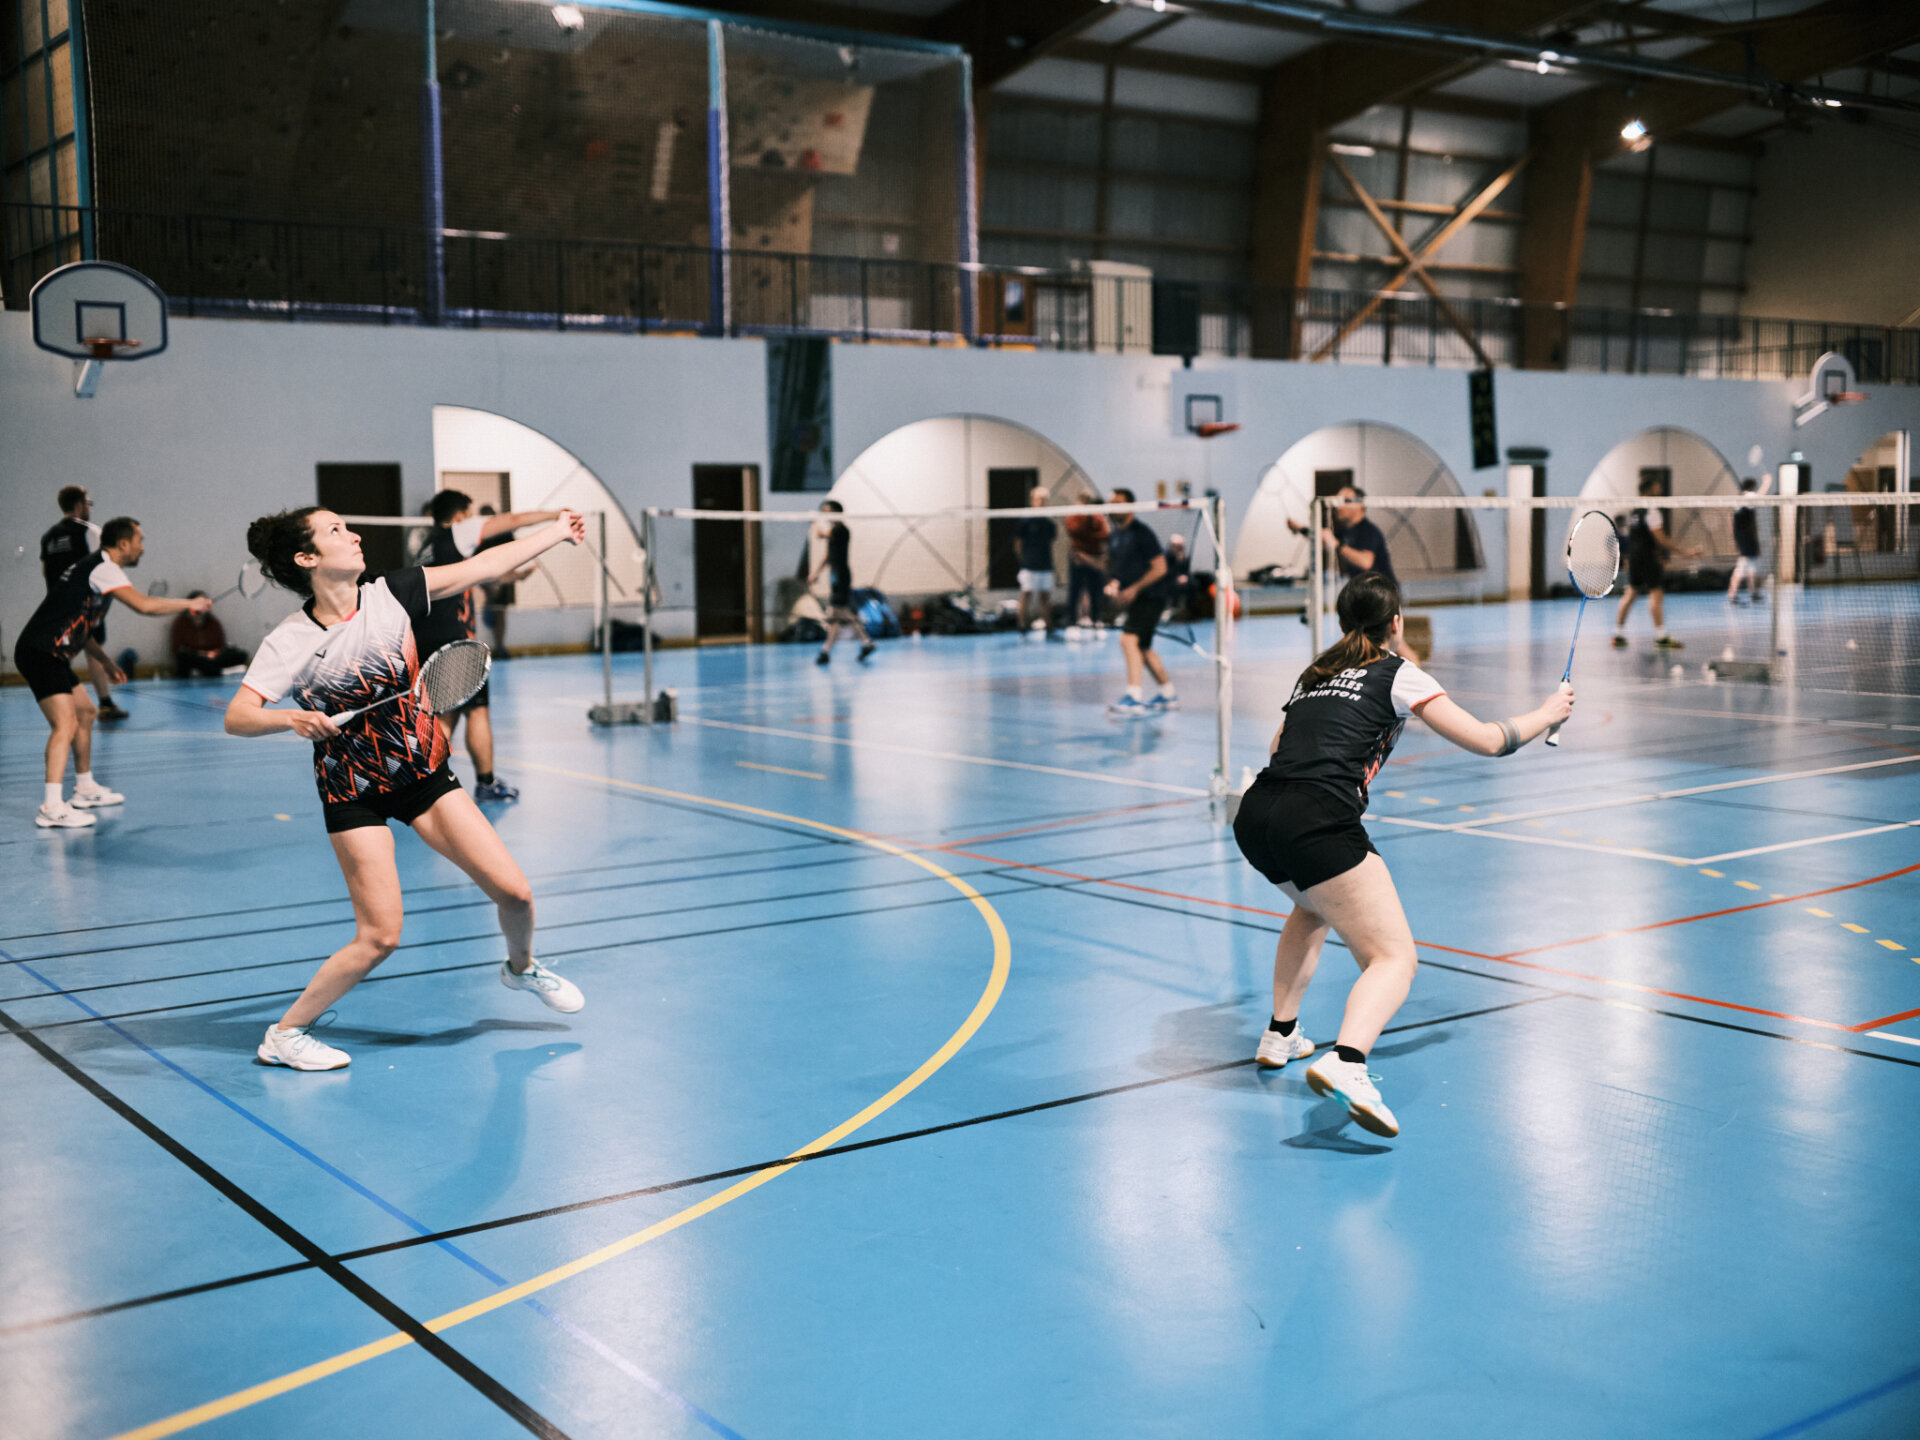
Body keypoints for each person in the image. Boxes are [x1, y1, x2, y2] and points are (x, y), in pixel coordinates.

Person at [225, 506, 590, 1072]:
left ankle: (521, 968)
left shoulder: (393, 593)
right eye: (336, 531)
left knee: (516, 894)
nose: (354, 535)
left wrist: (555, 533)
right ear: (307, 558)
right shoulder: (290, 640)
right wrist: (290, 719)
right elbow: (238, 716)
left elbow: (485, 565)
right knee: (380, 936)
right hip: (353, 792)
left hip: (422, 775)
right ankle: (286, 1033)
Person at [1234, 572, 1573, 1137]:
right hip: (1318, 820)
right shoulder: (1398, 672)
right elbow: (1489, 740)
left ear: (1342, 621)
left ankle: (1280, 1034)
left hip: (1256, 815)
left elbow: (1277, 747)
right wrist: (1548, 712)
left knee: (1312, 908)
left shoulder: (1316, 672)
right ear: (1396, 623)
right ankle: (1347, 1063)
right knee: (1394, 959)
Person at [15, 517, 210, 828]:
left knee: (86, 713)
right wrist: (191, 603)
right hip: (41, 652)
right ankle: (51, 807)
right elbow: (144, 605)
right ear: (123, 543)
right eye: (139, 541)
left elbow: (81, 628)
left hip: (51, 653)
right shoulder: (103, 568)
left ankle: (85, 789)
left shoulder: (94, 570)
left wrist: (106, 662)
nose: (142, 548)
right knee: (64, 724)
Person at [420, 491, 565, 802]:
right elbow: (512, 520)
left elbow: (483, 577)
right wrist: (556, 517)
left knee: (446, 715)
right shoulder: (459, 532)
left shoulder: (427, 548)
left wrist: (516, 575)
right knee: (476, 712)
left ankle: (425, 783)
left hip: (427, 640)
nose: (475, 520)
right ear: (459, 515)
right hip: (456, 641)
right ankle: (483, 783)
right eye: (470, 514)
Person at [40, 485, 128, 720]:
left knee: (63, 657)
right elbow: (104, 565)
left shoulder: (49, 537)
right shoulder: (90, 532)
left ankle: (66, 708)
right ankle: (105, 703)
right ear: (79, 505)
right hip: (86, 604)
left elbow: (45, 571)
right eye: (88, 503)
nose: (89, 508)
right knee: (94, 652)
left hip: (57, 607)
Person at [1102, 489, 1177, 716]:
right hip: (1136, 599)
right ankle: (1168, 694)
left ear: (1130, 506)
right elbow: (1117, 570)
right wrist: (1114, 584)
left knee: (1128, 640)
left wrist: (1134, 588)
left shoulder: (1142, 533)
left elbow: (1160, 567)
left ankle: (1134, 697)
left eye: (1118, 502)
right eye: (1111, 502)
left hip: (1152, 596)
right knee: (1142, 648)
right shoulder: (1115, 536)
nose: (1113, 507)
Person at [1612, 478, 1703, 650]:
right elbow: (1661, 539)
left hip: (1635, 557)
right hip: (1646, 558)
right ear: (1650, 489)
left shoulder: (1634, 511)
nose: (1660, 489)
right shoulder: (1652, 511)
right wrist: (1687, 552)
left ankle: (1618, 634)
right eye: (1657, 486)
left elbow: (1636, 536)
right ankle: (1661, 637)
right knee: (1656, 593)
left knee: (1630, 594)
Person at [810, 499, 874, 665]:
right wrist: (816, 573)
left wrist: (815, 521)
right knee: (837, 614)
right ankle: (831, 649)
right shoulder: (834, 531)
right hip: (835, 576)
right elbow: (827, 555)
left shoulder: (841, 530)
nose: (825, 514)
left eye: (827, 511)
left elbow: (819, 534)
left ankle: (830, 649)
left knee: (838, 613)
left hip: (841, 576)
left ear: (836, 513)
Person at [476, 504, 532, 658]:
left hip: (501, 574)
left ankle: (500, 645)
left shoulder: (503, 533)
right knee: (495, 610)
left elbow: (515, 551)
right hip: (488, 576)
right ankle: (498, 645)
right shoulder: (480, 536)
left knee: (499, 611)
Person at [170, 593, 249, 676]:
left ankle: (212, 670)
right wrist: (202, 654)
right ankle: (211, 670)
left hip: (213, 658)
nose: (199, 613)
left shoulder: (213, 622)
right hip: (196, 658)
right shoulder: (181, 623)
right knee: (183, 658)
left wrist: (213, 653)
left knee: (240, 655)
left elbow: (220, 645)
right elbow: (178, 649)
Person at [1014, 486, 1058, 633]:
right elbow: (1018, 544)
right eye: (1039, 499)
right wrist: (1024, 561)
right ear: (1033, 500)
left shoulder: (1049, 523)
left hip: (1045, 565)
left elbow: (1051, 543)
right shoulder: (1025, 521)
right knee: (1026, 595)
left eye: (1044, 500)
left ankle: (1048, 625)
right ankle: (1022, 626)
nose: (1041, 502)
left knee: (1045, 597)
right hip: (1029, 565)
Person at [1063, 495, 1109, 632]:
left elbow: (1104, 535)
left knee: (1095, 590)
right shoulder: (1074, 515)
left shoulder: (1098, 516)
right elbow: (1073, 531)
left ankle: (1096, 620)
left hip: (1094, 559)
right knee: (1075, 590)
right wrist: (1086, 522)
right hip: (1077, 558)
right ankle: (1072, 620)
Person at [1727, 474, 1771, 606]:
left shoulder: (1740, 498)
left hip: (1743, 537)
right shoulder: (1748, 496)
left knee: (1752, 566)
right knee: (1743, 567)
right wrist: (1767, 482)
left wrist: (1735, 539)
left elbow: (1732, 520)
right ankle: (1732, 595)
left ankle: (1753, 593)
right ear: (1752, 487)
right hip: (1746, 537)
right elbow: (1761, 497)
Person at [1163, 532, 1194, 621]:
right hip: (1167, 582)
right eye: (1177, 546)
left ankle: (1188, 609)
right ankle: (1170, 608)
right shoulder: (1166, 557)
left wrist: (1185, 578)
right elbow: (1166, 574)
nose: (1179, 548)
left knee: (1193, 583)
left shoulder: (1184, 557)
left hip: (1181, 582)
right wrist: (1176, 579)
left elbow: (1186, 571)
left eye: (1181, 546)